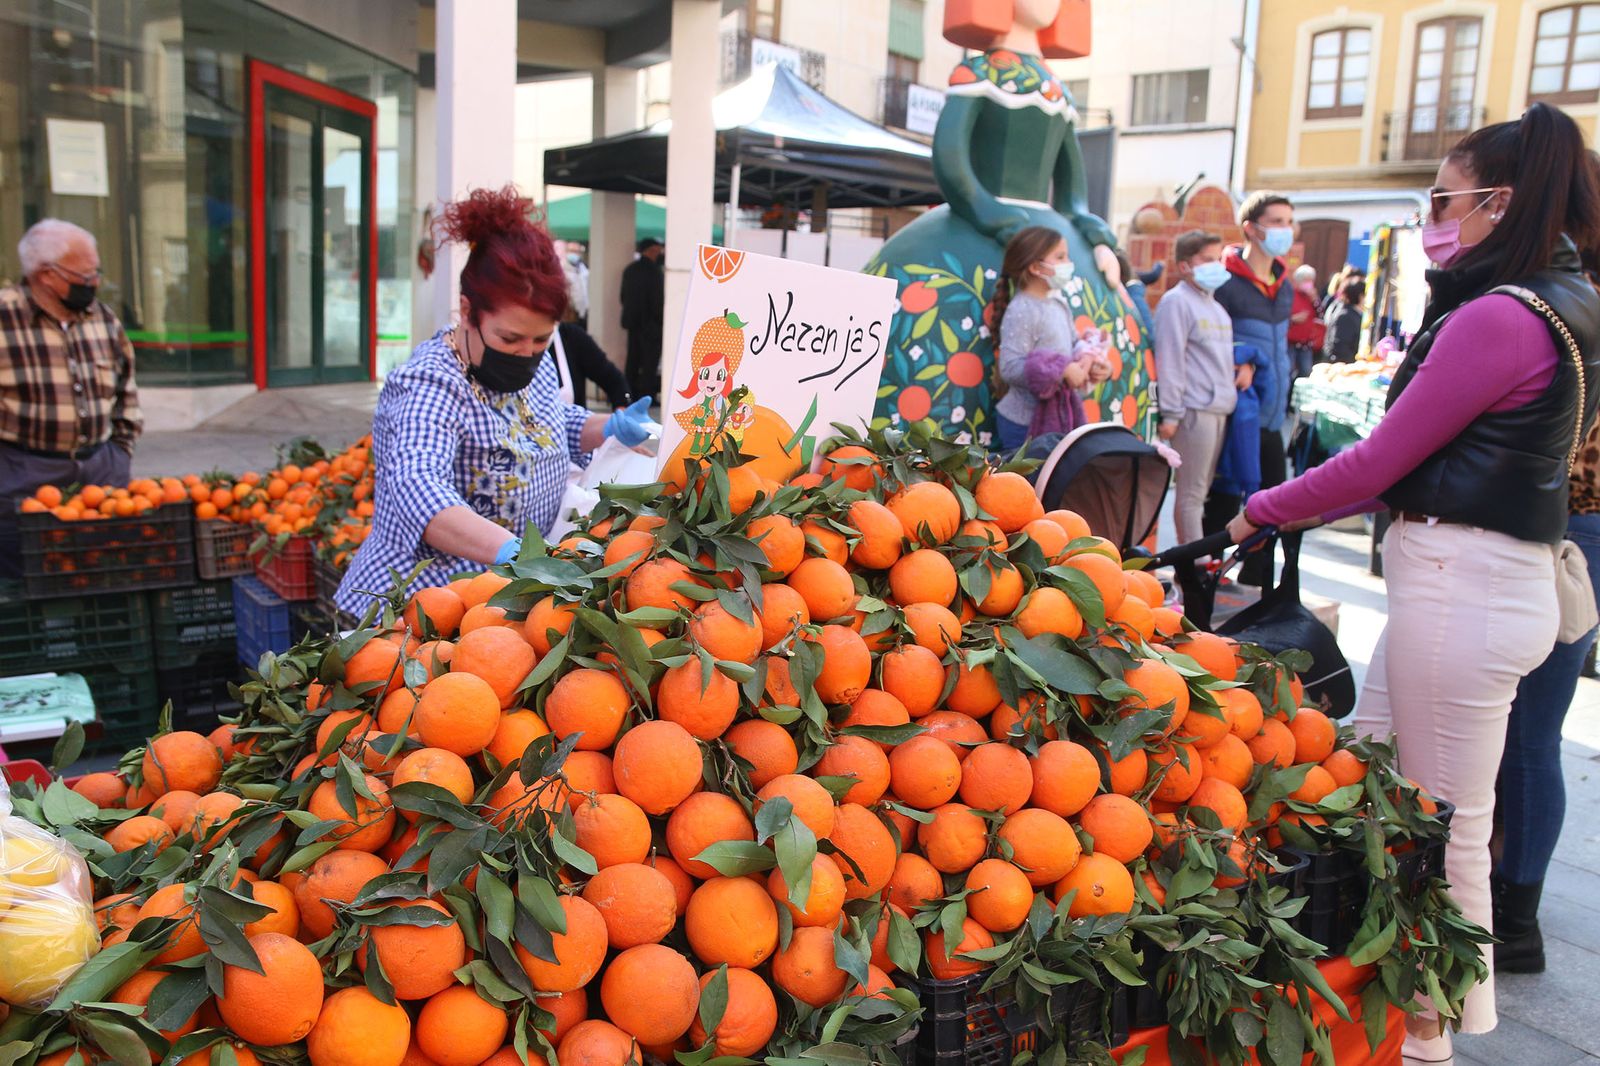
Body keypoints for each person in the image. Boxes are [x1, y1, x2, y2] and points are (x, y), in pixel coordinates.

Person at [1227, 103, 1600, 1053]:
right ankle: (1386, 1010)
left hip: (1463, 589)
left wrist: (1261, 508)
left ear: (1497, 201)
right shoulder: (1567, 297)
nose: (1435, 214)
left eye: (1444, 196)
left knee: (1440, 832)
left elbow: (1378, 461)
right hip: (1479, 585)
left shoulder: (1503, 317)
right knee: (1375, 777)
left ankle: (1431, 1036)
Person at [335, 187, 655, 615]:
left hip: (496, 597)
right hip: (422, 603)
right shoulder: (428, 383)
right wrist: (512, 552)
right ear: (467, 312)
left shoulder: (534, 362)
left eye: (541, 339)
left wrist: (608, 426)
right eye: (510, 338)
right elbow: (418, 485)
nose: (526, 351)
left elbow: (552, 421)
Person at [1493, 423, 1600, 976]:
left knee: (1531, 736)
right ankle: (1506, 891)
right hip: (1570, 523)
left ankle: (1516, 924)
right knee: (1521, 730)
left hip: (1574, 528)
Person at [0, 219, 142, 578]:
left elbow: (126, 390)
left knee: (105, 571)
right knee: (28, 575)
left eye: (96, 273)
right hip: (25, 472)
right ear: (46, 275)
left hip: (101, 470)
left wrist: (120, 453)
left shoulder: (104, 319)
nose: (94, 282)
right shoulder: (5, 317)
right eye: (85, 274)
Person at [1209, 191, 1294, 585]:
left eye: (1288, 221)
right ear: (1251, 228)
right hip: (1238, 407)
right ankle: (1206, 574)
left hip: (1274, 411)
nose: (1285, 230)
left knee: (1272, 500)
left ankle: (1257, 579)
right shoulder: (1224, 281)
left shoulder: (1284, 281)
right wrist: (1239, 357)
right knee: (1224, 497)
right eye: (1276, 221)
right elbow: (1208, 336)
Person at [1152, 230, 1239, 545]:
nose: (1215, 266)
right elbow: (1170, 358)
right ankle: (1194, 567)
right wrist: (1171, 412)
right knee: (1190, 494)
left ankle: (1195, 562)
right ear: (1186, 265)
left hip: (1218, 409)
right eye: (1206, 260)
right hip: (1192, 410)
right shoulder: (1175, 302)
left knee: (1200, 492)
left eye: (1217, 259)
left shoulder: (1216, 308)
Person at [991, 226, 1110, 451]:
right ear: (1036, 268)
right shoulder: (1022, 310)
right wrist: (1063, 370)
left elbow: (1073, 344)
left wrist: (1092, 364)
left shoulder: (1058, 303)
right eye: (1060, 257)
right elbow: (1010, 367)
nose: (1068, 263)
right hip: (1023, 425)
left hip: (1057, 420)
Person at [620, 237, 665, 402]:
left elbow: (623, 297)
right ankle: (646, 396)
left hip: (633, 324)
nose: (659, 253)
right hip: (652, 326)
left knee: (632, 359)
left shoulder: (630, 270)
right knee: (649, 363)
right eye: (657, 250)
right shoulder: (655, 272)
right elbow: (658, 301)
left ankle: (627, 394)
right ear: (651, 251)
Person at [551, 321, 630, 410]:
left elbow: (615, 381)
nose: (531, 350)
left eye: (541, 339)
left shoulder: (572, 337)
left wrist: (622, 412)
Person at [1288, 263, 1326, 378]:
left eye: (1310, 281)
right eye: (1305, 280)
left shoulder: (1312, 297)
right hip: (1290, 342)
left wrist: (1315, 300)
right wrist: (1293, 319)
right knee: (1288, 372)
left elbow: (1321, 316)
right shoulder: (1290, 295)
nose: (1309, 284)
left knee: (1306, 371)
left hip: (1306, 343)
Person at [1322, 277, 1366, 363]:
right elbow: (1340, 346)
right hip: (1341, 365)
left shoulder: (1353, 313)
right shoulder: (1345, 316)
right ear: (1360, 296)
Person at [560, 242, 590, 330]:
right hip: (569, 314)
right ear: (566, 252)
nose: (574, 254)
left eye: (577, 251)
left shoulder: (584, 270)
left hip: (583, 313)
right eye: (571, 251)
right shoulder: (561, 270)